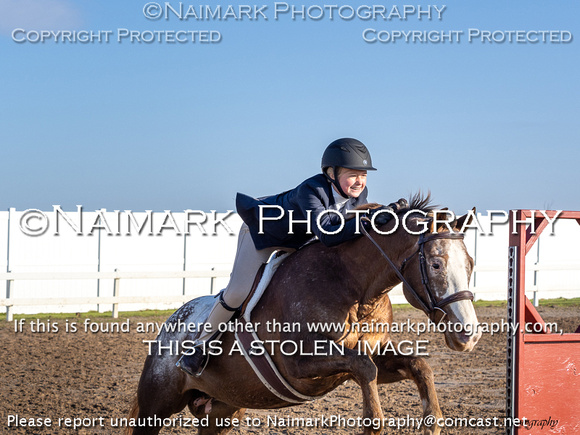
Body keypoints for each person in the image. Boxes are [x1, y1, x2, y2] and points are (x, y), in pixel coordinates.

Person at [176, 138, 402, 377]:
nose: (359, 181)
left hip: (300, 242)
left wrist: (382, 214)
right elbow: (328, 232)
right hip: (263, 234)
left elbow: (353, 224)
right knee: (237, 292)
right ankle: (199, 346)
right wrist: (369, 221)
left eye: (363, 175)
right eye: (353, 174)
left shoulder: (359, 194)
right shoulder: (311, 190)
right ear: (331, 173)